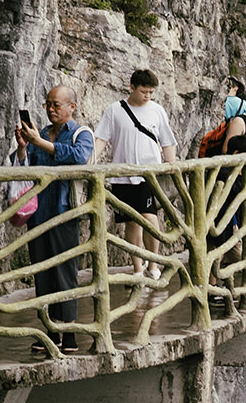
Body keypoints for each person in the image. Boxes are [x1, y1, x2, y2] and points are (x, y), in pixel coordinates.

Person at [17, 85, 94, 356]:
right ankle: (50, 331)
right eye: (48, 104)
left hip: (64, 213)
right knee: (42, 273)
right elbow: (26, 169)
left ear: (72, 106)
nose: (51, 109)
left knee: (64, 273)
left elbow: (78, 158)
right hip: (39, 214)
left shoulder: (80, 134)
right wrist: (25, 148)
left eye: (56, 105)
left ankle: (69, 333)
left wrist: (40, 142)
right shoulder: (42, 135)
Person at [94, 68, 177, 280]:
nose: (147, 96)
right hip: (122, 175)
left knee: (150, 218)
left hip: (148, 175)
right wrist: (90, 163)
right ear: (132, 88)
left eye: (151, 92)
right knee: (131, 222)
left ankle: (153, 263)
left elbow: (167, 141)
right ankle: (137, 267)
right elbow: (101, 139)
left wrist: (172, 164)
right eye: (143, 91)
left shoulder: (157, 111)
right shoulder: (115, 110)